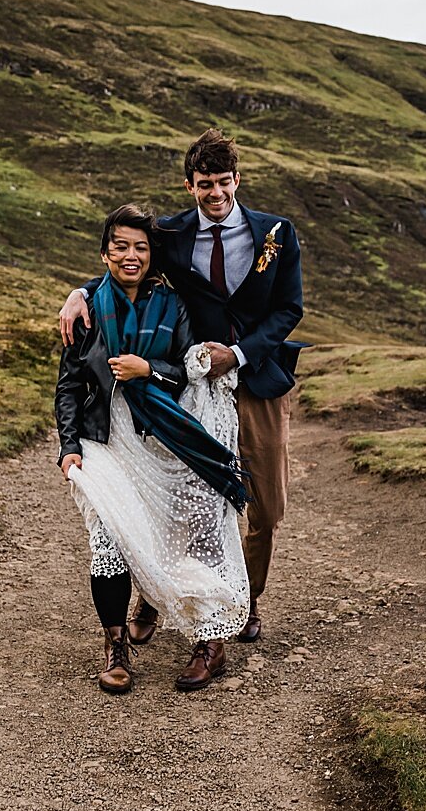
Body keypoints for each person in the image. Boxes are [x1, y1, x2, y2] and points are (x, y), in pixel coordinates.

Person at [60, 129, 304, 644]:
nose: (214, 193)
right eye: (203, 184)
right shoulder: (171, 235)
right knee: (184, 495)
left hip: (256, 378)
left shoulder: (277, 233)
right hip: (187, 381)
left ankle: (245, 598)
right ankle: (163, 596)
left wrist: (236, 354)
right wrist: (78, 293)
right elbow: (128, 260)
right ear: (189, 185)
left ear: (237, 180)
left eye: (222, 182)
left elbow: (289, 309)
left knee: (266, 505)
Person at [56, 203, 251, 693]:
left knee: (189, 529)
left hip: (161, 436)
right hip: (105, 439)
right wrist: (68, 445)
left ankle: (211, 634)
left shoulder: (173, 304)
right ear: (104, 253)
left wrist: (150, 371)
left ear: (151, 256)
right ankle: (115, 645)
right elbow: (69, 386)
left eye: (140, 247)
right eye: (120, 246)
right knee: (108, 539)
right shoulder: (85, 313)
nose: (130, 255)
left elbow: (185, 370)